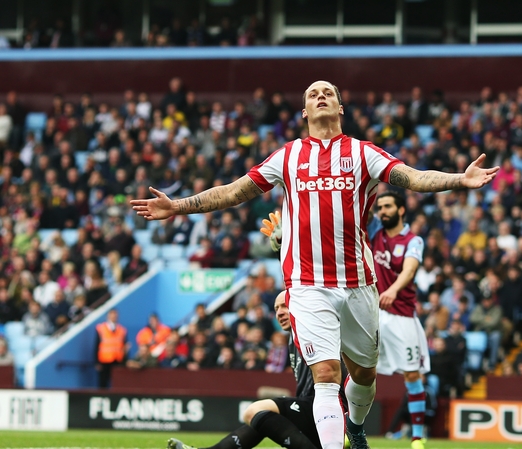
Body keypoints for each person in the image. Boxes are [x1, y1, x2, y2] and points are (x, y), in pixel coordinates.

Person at [133, 80, 498, 449]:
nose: (320, 96)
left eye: (328, 93)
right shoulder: (287, 156)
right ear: (304, 112)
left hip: (358, 284)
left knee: (364, 376)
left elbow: (414, 178)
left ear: (340, 108)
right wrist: (178, 206)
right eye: (312, 94)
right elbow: (232, 191)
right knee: (325, 373)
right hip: (307, 285)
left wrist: (459, 180)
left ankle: (355, 428)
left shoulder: (362, 153)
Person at [168, 292, 329, 449]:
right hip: (309, 408)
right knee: (261, 419)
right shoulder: (292, 339)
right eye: (276, 308)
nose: (279, 313)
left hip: (324, 407)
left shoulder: (313, 332)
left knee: (255, 411)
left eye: (285, 306)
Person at [368, 191, 429, 448]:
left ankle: (417, 436)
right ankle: (350, 429)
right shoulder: (374, 232)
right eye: (380, 207)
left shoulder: (413, 240)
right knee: (358, 369)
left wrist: (393, 289)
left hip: (402, 316)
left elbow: (410, 268)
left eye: (388, 206)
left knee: (412, 375)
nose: (383, 211)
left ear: (401, 209)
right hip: (373, 313)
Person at [95, 308, 128, 388]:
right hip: (104, 360)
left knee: (118, 384)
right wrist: (96, 361)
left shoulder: (122, 330)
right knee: (103, 383)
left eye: (115, 314)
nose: (114, 316)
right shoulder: (101, 328)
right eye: (111, 314)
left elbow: (125, 346)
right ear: (108, 316)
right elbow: (96, 345)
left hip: (118, 360)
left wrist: (125, 360)